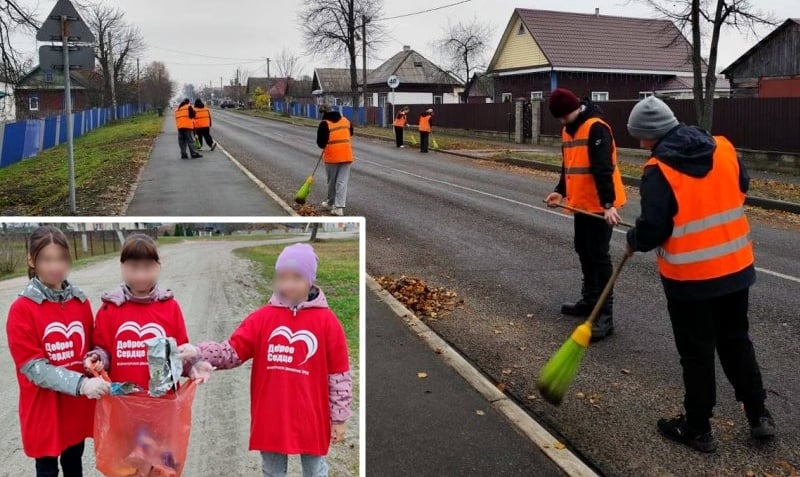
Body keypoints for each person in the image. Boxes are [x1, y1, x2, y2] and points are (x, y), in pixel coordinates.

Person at [625, 96, 774, 452]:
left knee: (696, 352)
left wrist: (634, 239)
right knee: (737, 341)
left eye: (638, 136)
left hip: (690, 281)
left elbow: (654, 228)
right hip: (736, 270)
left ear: (649, 135)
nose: (638, 142)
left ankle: (698, 428)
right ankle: (759, 415)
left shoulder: (658, 170)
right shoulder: (723, 148)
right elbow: (743, 185)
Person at [178, 243, 352, 477]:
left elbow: (339, 376)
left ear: (310, 279)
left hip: (312, 416)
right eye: (282, 277)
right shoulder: (262, 318)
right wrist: (199, 353)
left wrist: (339, 418)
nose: (288, 284)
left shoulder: (327, 323)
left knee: (315, 471)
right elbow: (232, 351)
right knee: (271, 471)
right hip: (272, 415)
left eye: (297, 277)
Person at [6, 226, 110, 477]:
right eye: (47, 259)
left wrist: (94, 358)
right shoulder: (22, 309)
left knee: (74, 460)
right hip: (44, 407)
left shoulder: (80, 302)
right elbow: (33, 367)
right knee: (47, 467)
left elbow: (90, 344)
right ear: (32, 260)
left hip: (73, 406)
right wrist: (80, 384)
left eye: (61, 258)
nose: (56, 267)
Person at [544, 88, 626, 340]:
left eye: (564, 117)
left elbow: (603, 169)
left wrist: (609, 204)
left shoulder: (596, 128)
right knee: (583, 250)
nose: (562, 122)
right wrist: (560, 190)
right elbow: (568, 164)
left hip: (600, 207)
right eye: (559, 118)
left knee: (599, 257)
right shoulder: (569, 129)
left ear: (575, 109)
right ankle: (589, 301)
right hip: (581, 204)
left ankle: (604, 315)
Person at [85, 234, 209, 390]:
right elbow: (103, 350)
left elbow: (180, 353)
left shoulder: (170, 307)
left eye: (147, 267)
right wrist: (98, 359)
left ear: (158, 266)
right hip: (123, 403)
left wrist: (192, 368)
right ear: (122, 267)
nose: (141, 275)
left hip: (163, 404)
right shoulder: (109, 309)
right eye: (134, 267)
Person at [316, 104, 354, 217]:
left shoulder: (324, 123)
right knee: (342, 182)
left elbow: (320, 143)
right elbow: (350, 133)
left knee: (332, 181)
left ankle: (330, 203)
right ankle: (339, 208)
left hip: (332, 156)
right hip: (347, 155)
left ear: (322, 113)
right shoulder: (346, 120)